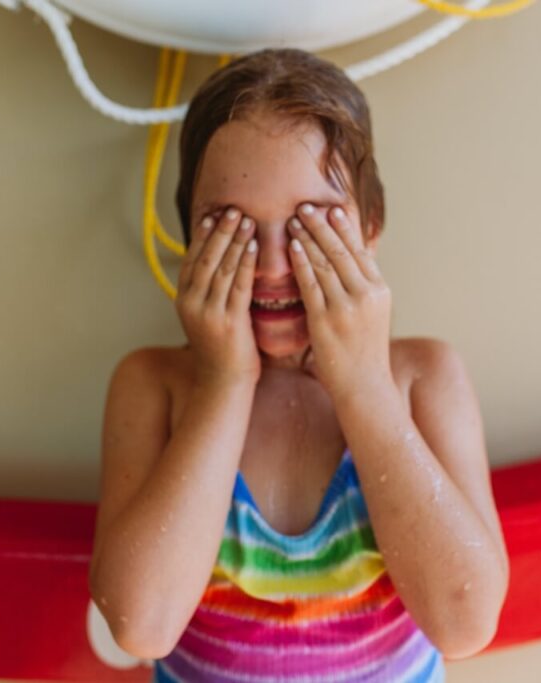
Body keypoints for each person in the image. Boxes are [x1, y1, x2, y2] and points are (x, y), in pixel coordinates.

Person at [89, 48, 509, 682]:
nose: (272, 264)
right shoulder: (154, 388)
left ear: (370, 229)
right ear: (190, 240)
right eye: (230, 225)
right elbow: (141, 627)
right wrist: (225, 382)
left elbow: (466, 622)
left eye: (312, 225)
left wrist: (363, 386)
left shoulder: (421, 379)